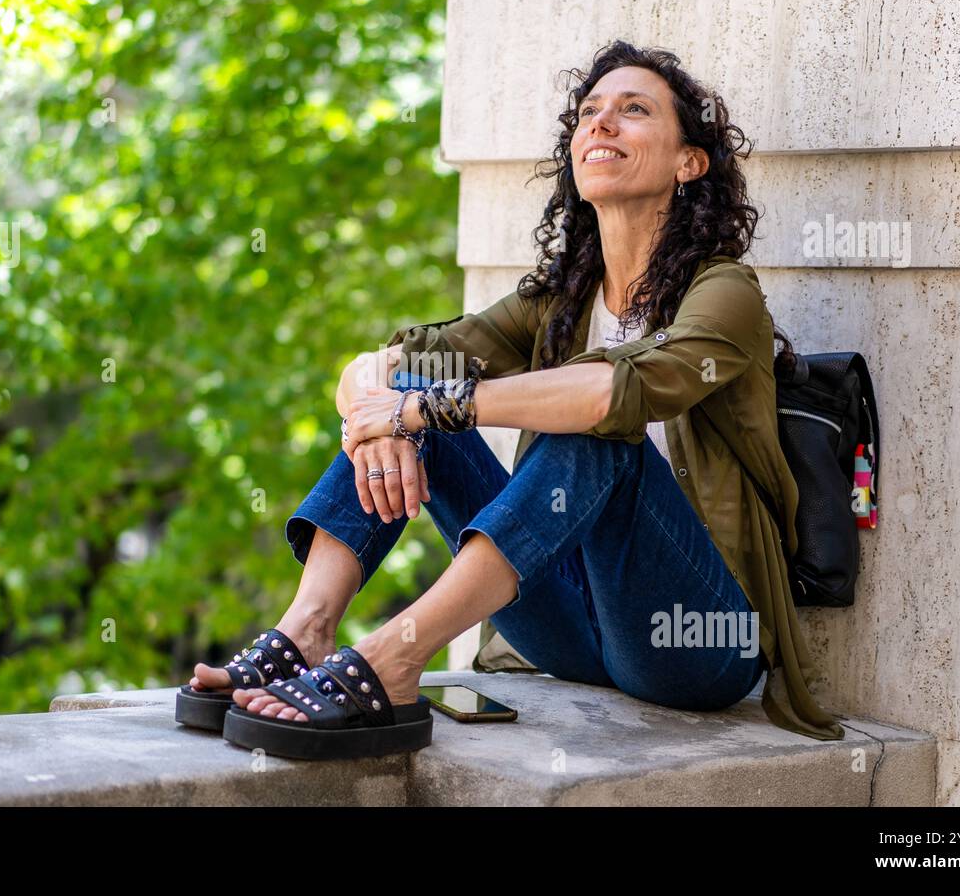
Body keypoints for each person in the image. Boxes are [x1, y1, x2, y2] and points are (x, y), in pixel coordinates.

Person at [184, 41, 844, 759]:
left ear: (689, 163)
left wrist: (425, 410)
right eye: (589, 114)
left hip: (694, 638)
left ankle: (394, 655)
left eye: (633, 110)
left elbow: (611, 394)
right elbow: (378, 366)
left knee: (590, 423)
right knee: (406, 389)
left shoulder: (726, 295)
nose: (601, 125)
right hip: (566, 630)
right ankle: (305, 630)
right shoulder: (561, 302)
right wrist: (379, 419)